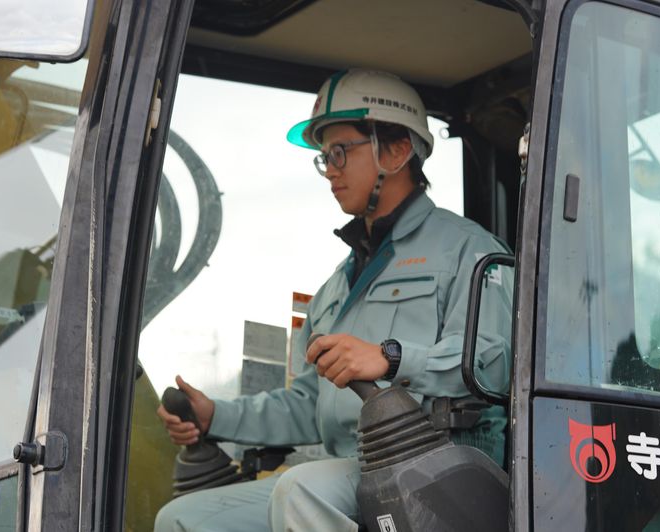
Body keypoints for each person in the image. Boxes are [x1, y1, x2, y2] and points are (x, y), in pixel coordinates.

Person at [154, 69, 513, 532]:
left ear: (397, 151)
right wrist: (216, 415)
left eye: (341, 152)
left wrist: (390, 359)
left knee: (300, 490)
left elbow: (494, 365)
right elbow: (308, 404)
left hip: (434, 469)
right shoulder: (335, 289)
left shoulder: (470, 250)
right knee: (183, 519)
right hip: (350, 469)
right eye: (324, 158)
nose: (331, 170)